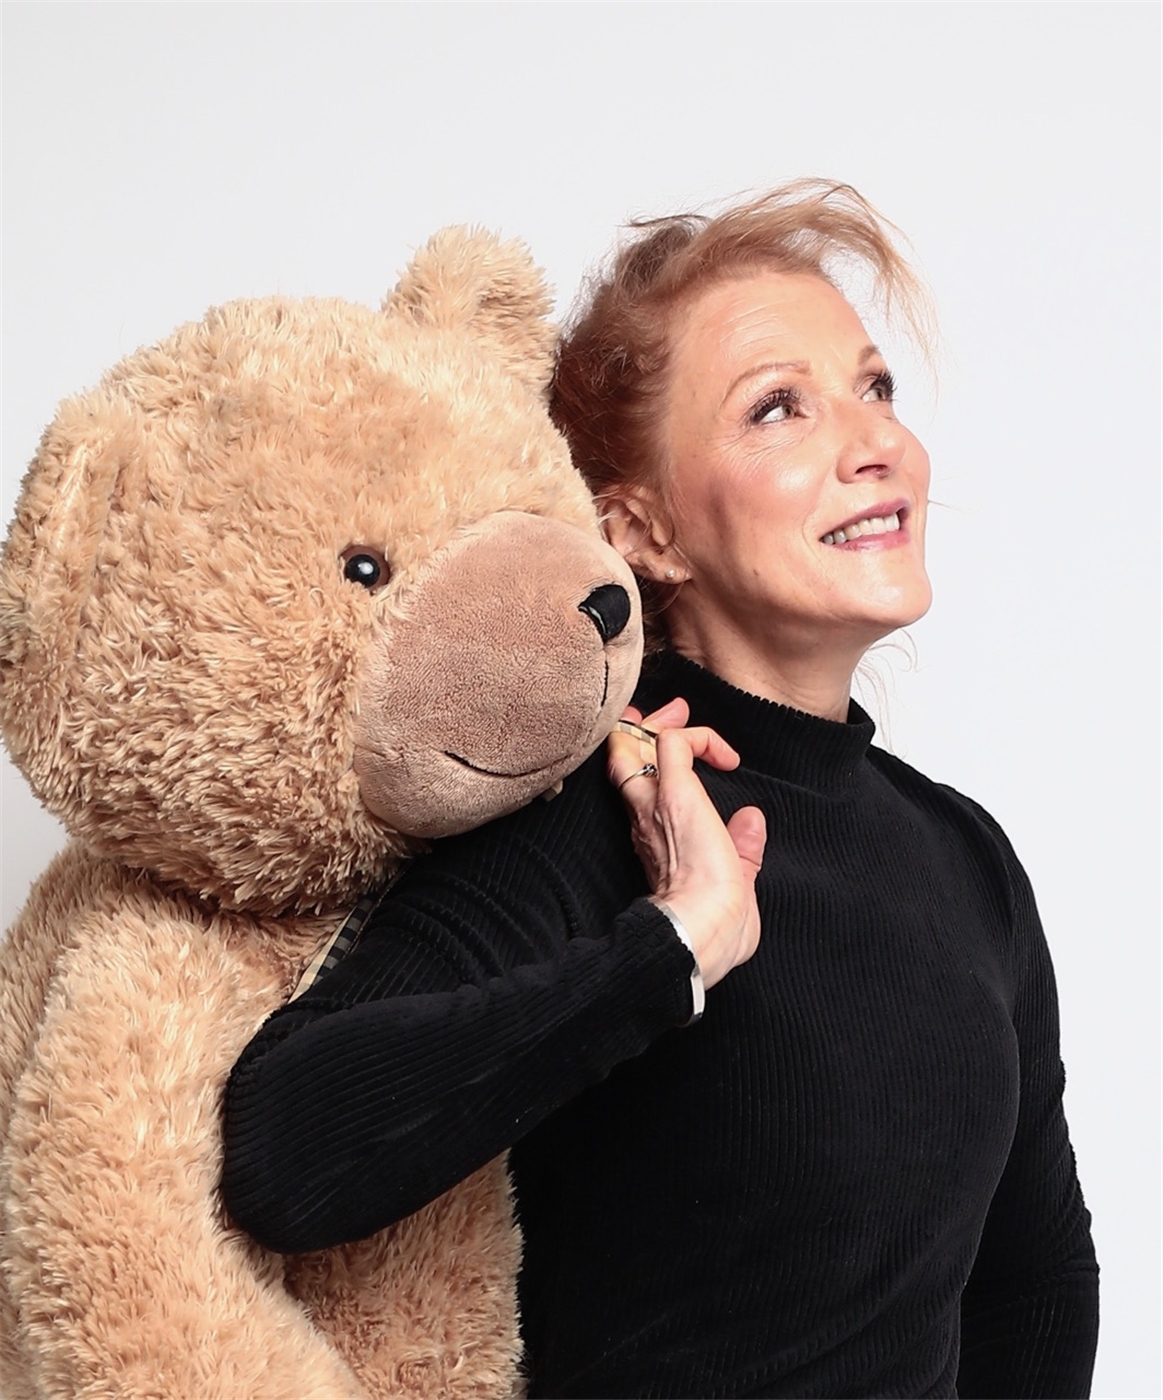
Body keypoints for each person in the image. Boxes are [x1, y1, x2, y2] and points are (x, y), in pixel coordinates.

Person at [221, 181, 1099, 1398]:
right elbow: (280, 1149)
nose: (875, 443)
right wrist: (671, 946)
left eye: (874, 386)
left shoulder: (961, 855)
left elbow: (1031, 1277)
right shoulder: (586, 812)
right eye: (777, 406)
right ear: (643, 530)